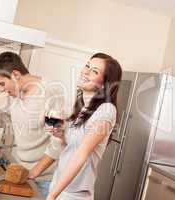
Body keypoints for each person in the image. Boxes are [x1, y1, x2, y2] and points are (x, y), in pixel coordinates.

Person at [0, 51, 65, 196]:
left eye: (2, 84)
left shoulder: (50, 93)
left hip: (44, 180)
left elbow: (58, 141)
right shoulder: (16, 94)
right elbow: (10, 123)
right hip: (23, 172)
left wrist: (34, 173)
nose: (0, 89)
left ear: (16, 75)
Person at [46, 53, 122, 200]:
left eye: (95, 71)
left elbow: (82, 154)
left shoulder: (106, 110)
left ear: (105, 83)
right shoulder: (82, 107)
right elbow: (71, 149)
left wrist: (52, 196)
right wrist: (62, 135)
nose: (85, 71)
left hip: (74, 195)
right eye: (87, 66)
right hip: (58, 186)